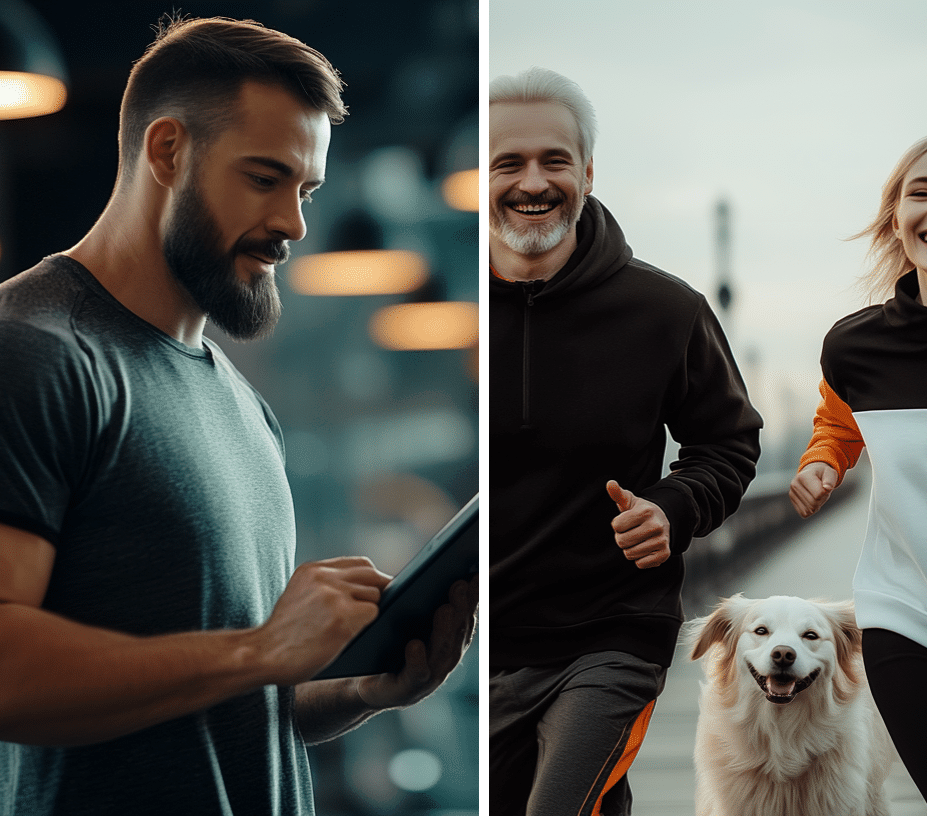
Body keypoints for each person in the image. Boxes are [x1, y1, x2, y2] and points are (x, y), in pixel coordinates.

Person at [0, 17, 477, 815]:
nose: (293, 223)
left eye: (307, 190)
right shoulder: (34, 351)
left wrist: (364, 690)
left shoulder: (239, 404)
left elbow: (232, 702)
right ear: (167, 152)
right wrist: (260, 648)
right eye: (264, 178)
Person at [487, 67, 762, 816]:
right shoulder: (451, 319)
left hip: (614, 633)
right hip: (489, 644)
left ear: (587, 172)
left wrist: (673, 508)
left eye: (554, 161)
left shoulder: (665, 310)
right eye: (507, 162)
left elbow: (730, 445)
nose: (532, 182)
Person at [788, 132, 927, 816]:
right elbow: (838, 426)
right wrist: (820, 464)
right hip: (905, 616)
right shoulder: (855, 345)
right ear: (896, 217)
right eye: (921, 193)